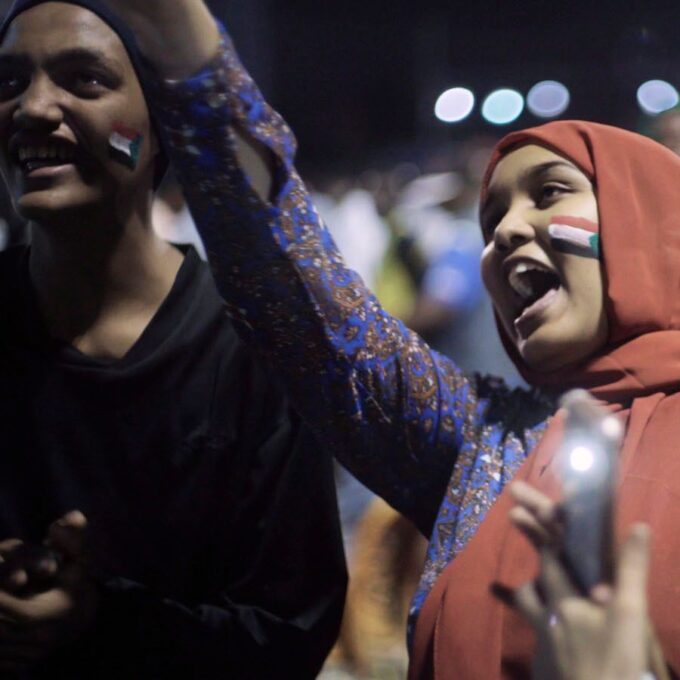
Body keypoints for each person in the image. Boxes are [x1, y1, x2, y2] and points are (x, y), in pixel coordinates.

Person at [151, 13, 680, 678]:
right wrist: (187, 58)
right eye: (492, 218)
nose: (506, 232)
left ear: (648, 219)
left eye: (549, 192)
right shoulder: (482, 440)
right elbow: (299, 299)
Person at [0, 0, 346, 676]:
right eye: (9, 82)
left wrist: (100, 619)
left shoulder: (252, 347)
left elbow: (289, 632)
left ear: (160, 126)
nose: (34, 108)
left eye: (84, 79)